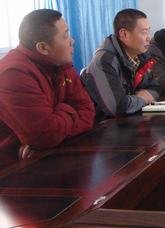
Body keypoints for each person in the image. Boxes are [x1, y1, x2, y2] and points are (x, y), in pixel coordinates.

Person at [0, 9, 95, 161]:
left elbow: (88, 112)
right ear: (43, 48)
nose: (72, 41)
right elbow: (47, 134)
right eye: (65, 36)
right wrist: (70, 111)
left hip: (54, 152)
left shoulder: (60, 63)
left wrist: (57, 116)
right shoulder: (13, 73)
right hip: (16, 166)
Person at [81, 9, 160, 118]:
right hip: (103, 124)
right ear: (124, 34)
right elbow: (118, 107)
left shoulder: (142, 56)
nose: (149, 38)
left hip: (129, 120)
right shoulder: (105, 61)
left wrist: (141, 98)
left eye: (148, 31)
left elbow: (155, 88)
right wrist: (143, 99)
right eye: (144, 32)